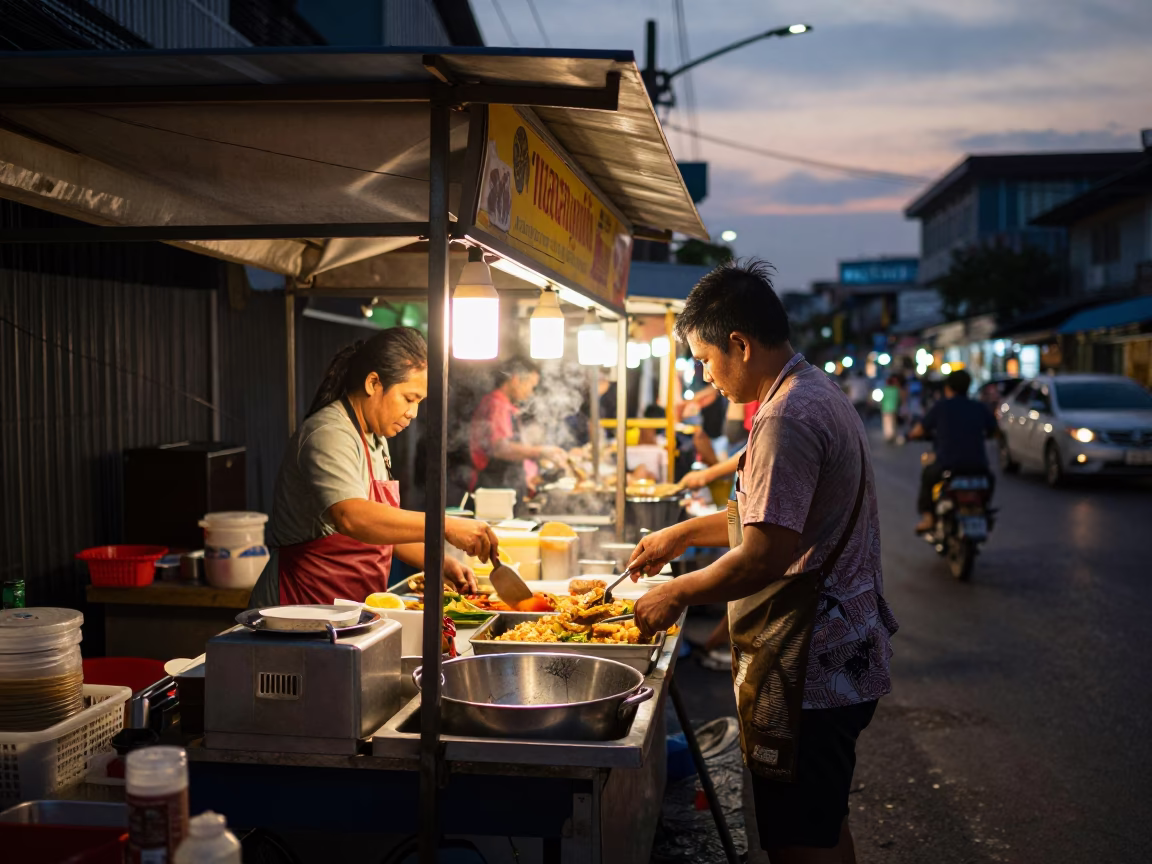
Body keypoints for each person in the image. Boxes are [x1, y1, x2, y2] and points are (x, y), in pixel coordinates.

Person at [625, 259, 898, 864]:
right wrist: (680, 535)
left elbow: (766, 553)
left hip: (814, 664)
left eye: (704, 358)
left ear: (739, 345)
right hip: (837, 653)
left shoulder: (785, 415)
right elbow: (767, 514)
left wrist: (677, 593)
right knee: (822, 822)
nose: (705, 374)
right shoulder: (809, 389)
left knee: (800, 839)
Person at [250, 327, 496, 609]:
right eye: (409, 398)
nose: (413, 413)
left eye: (419, 402)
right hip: (298, 611)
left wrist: (438, 562)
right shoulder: (329, 433)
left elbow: (380, 532)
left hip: (347, 613)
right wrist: (445, 526)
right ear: (373, 383)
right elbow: (353, 518)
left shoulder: (376, 439)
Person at [909, 368, 998, 534]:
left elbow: (919, 431)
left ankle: (928, 517)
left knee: (928, 475)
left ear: (948, 388)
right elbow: (994, 430)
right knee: (990, 480)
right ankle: (982, 511)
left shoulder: (941, 407)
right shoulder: (979, 407)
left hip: (948, 465)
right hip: (979, 466)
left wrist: (911, 435)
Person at [469, 357, 567, 505]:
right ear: (515, 379)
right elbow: (500, 448)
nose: (531, 392)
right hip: (494, 488)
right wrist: (541, 451)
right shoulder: (496, 405)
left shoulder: (506, 405)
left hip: (505, 485)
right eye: (530, 385)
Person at [880, 375, 903, 444]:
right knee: (893, 423)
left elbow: (883, 399)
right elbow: (898, 399)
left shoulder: (885, 390)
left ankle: (888, 436)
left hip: (885, 408)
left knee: (886, 423)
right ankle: (892, 435)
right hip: (893, 409)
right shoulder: (896, 390)